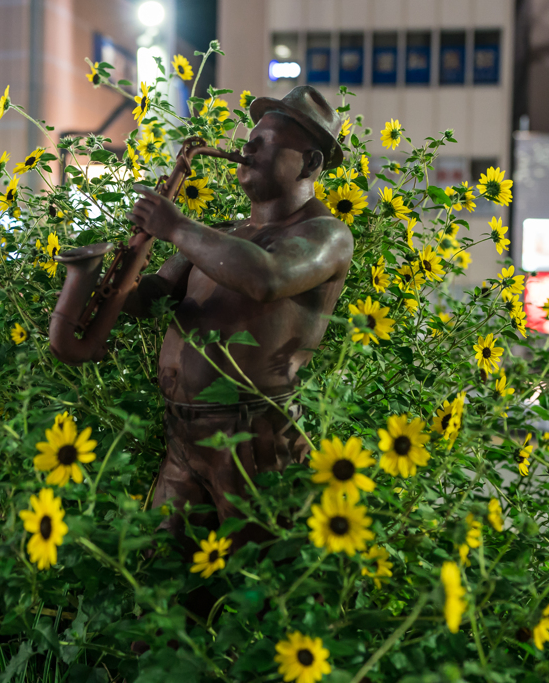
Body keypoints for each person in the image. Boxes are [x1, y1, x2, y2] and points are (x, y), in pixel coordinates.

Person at [126, 85, 354, 547]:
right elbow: (150, 298)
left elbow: (266, 277)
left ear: (310, 164)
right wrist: (105, 280)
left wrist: (176, 226)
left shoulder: (327, 235)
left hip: (253, 441)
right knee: (162, 587)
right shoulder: (223, 235)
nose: (245, 148)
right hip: (184, 439)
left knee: (258, 592)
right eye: (249, 139)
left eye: (264, 142)